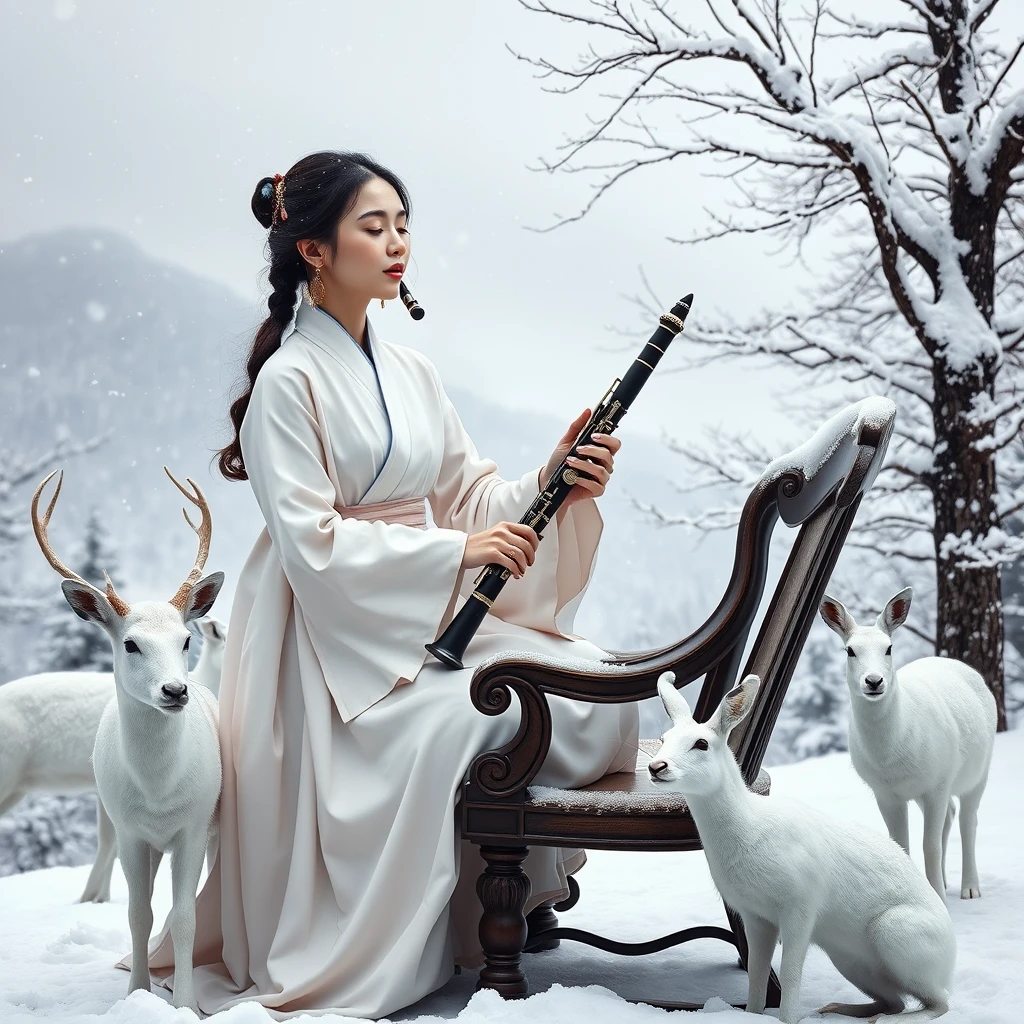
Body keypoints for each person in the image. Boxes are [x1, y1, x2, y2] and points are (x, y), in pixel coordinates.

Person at [129, 150, 638, 1019]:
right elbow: (312, 544)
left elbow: (471, 497)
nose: (398, 242)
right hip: (332, 643)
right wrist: (458, 553)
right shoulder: (287, 384)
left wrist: (558, 479)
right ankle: (452, 923)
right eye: (374, 225)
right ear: (314, 250)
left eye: (404, 224)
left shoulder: (412, 373)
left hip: (423, 604)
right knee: (496, 710)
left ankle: (489, 908)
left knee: (593, 687)